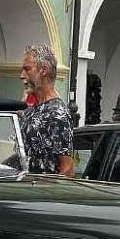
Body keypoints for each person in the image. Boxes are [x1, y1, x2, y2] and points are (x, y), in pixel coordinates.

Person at [19, 44, 73, 176]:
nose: (22, 75)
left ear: (43, 70)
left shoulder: (57, 113)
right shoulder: (31, 109)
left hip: (41, 188)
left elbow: (67, 169)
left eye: (27, 69)